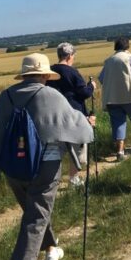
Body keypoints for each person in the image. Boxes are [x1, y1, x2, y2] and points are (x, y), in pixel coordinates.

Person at [0, 53, 94, 260]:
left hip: (13, 167)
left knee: (35, 212)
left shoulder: (6, 95)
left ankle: (51, 250)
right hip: (46, 164)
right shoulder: (51, 95)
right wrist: (88, 122)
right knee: (37, 215)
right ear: (43, 75)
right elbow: (80, 128)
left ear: (24, 74)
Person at [46, 42, 97, 187]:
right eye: (73, 55)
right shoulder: (72, 72)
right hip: (74, 115)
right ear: (69, 56)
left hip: (54, 114)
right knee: (74, 148)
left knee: (56, 151)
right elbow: (84, 93)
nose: (73, 58)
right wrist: (91, 87)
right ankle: (73, 180)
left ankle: (50, 180)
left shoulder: (50, 72)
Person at [98, 37, 131, 161]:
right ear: (127, 46)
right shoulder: (130, 58)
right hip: (129, 96)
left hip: (112, 98)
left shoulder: (108, 61)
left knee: (118, 124)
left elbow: (101, 78)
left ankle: (120, 152)